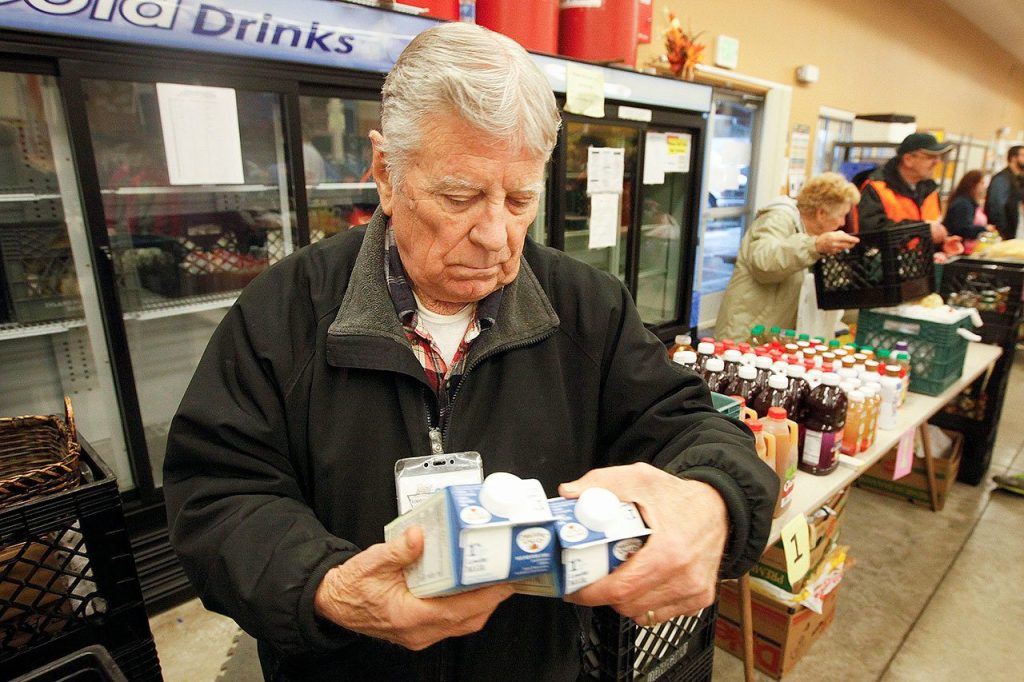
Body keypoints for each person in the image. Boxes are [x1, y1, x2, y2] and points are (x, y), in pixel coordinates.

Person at [163, 22, 777, 682]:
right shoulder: (285, 312)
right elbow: (218, 496)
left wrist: (713, 500)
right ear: (384, 173)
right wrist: (327, 587)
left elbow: (690, 424)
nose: (493, 235)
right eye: (459, 197)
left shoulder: (587, 309)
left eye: (520, 200)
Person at [715, 172, 861, 341]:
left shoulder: (813, 236)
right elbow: (764, 263)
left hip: (771, 336)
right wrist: (814, 246)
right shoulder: (778, 218)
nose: (842, 223)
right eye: (842, 215)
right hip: (744, 334)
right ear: (821, 213)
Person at [853, 132, 952, 244]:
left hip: (922, 260)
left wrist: (943, 245)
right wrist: (920, 229)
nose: (937, 162)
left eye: (939, 157)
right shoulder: (876, 187)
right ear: (908, 159)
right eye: (930, 157)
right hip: (886, 260)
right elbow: (871, 231)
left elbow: (933, 227)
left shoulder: (930, 190)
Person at [984, 145, 1024, 241]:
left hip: (1014, 232)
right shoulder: (1002, 179)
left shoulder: (1018, 179)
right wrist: (1002, 232)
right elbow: (996, 206)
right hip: (1003, 234)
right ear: (1014, 158)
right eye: (1023, 155)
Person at [944, 170, 996, 241]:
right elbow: (963, 229)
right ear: (973, 184)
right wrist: (984, 229)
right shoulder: (963, 204)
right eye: (982, 183)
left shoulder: (969, 203)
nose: (984, 187)